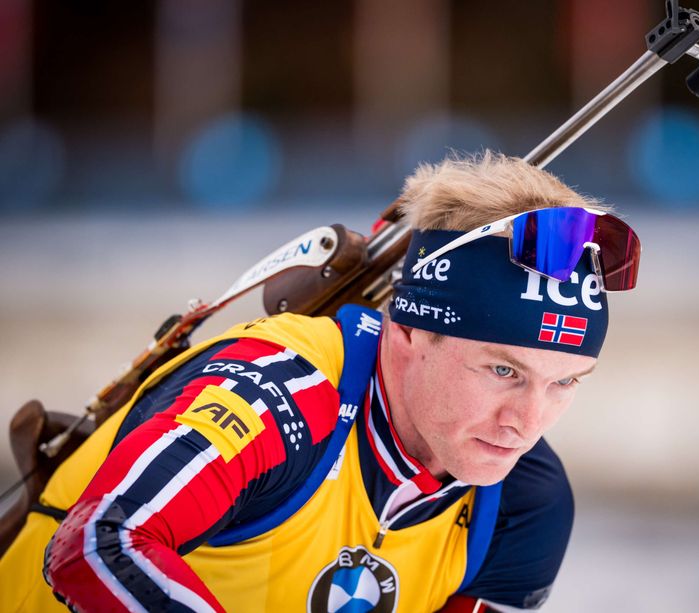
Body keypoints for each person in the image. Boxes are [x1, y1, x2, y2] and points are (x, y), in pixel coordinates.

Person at [0, 151, 640, 612]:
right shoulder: (273, 393)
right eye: (503, 371)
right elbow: (97, 542)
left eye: (566, 383)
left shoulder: (524, 503)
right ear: (409, 332)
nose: (525, 423)